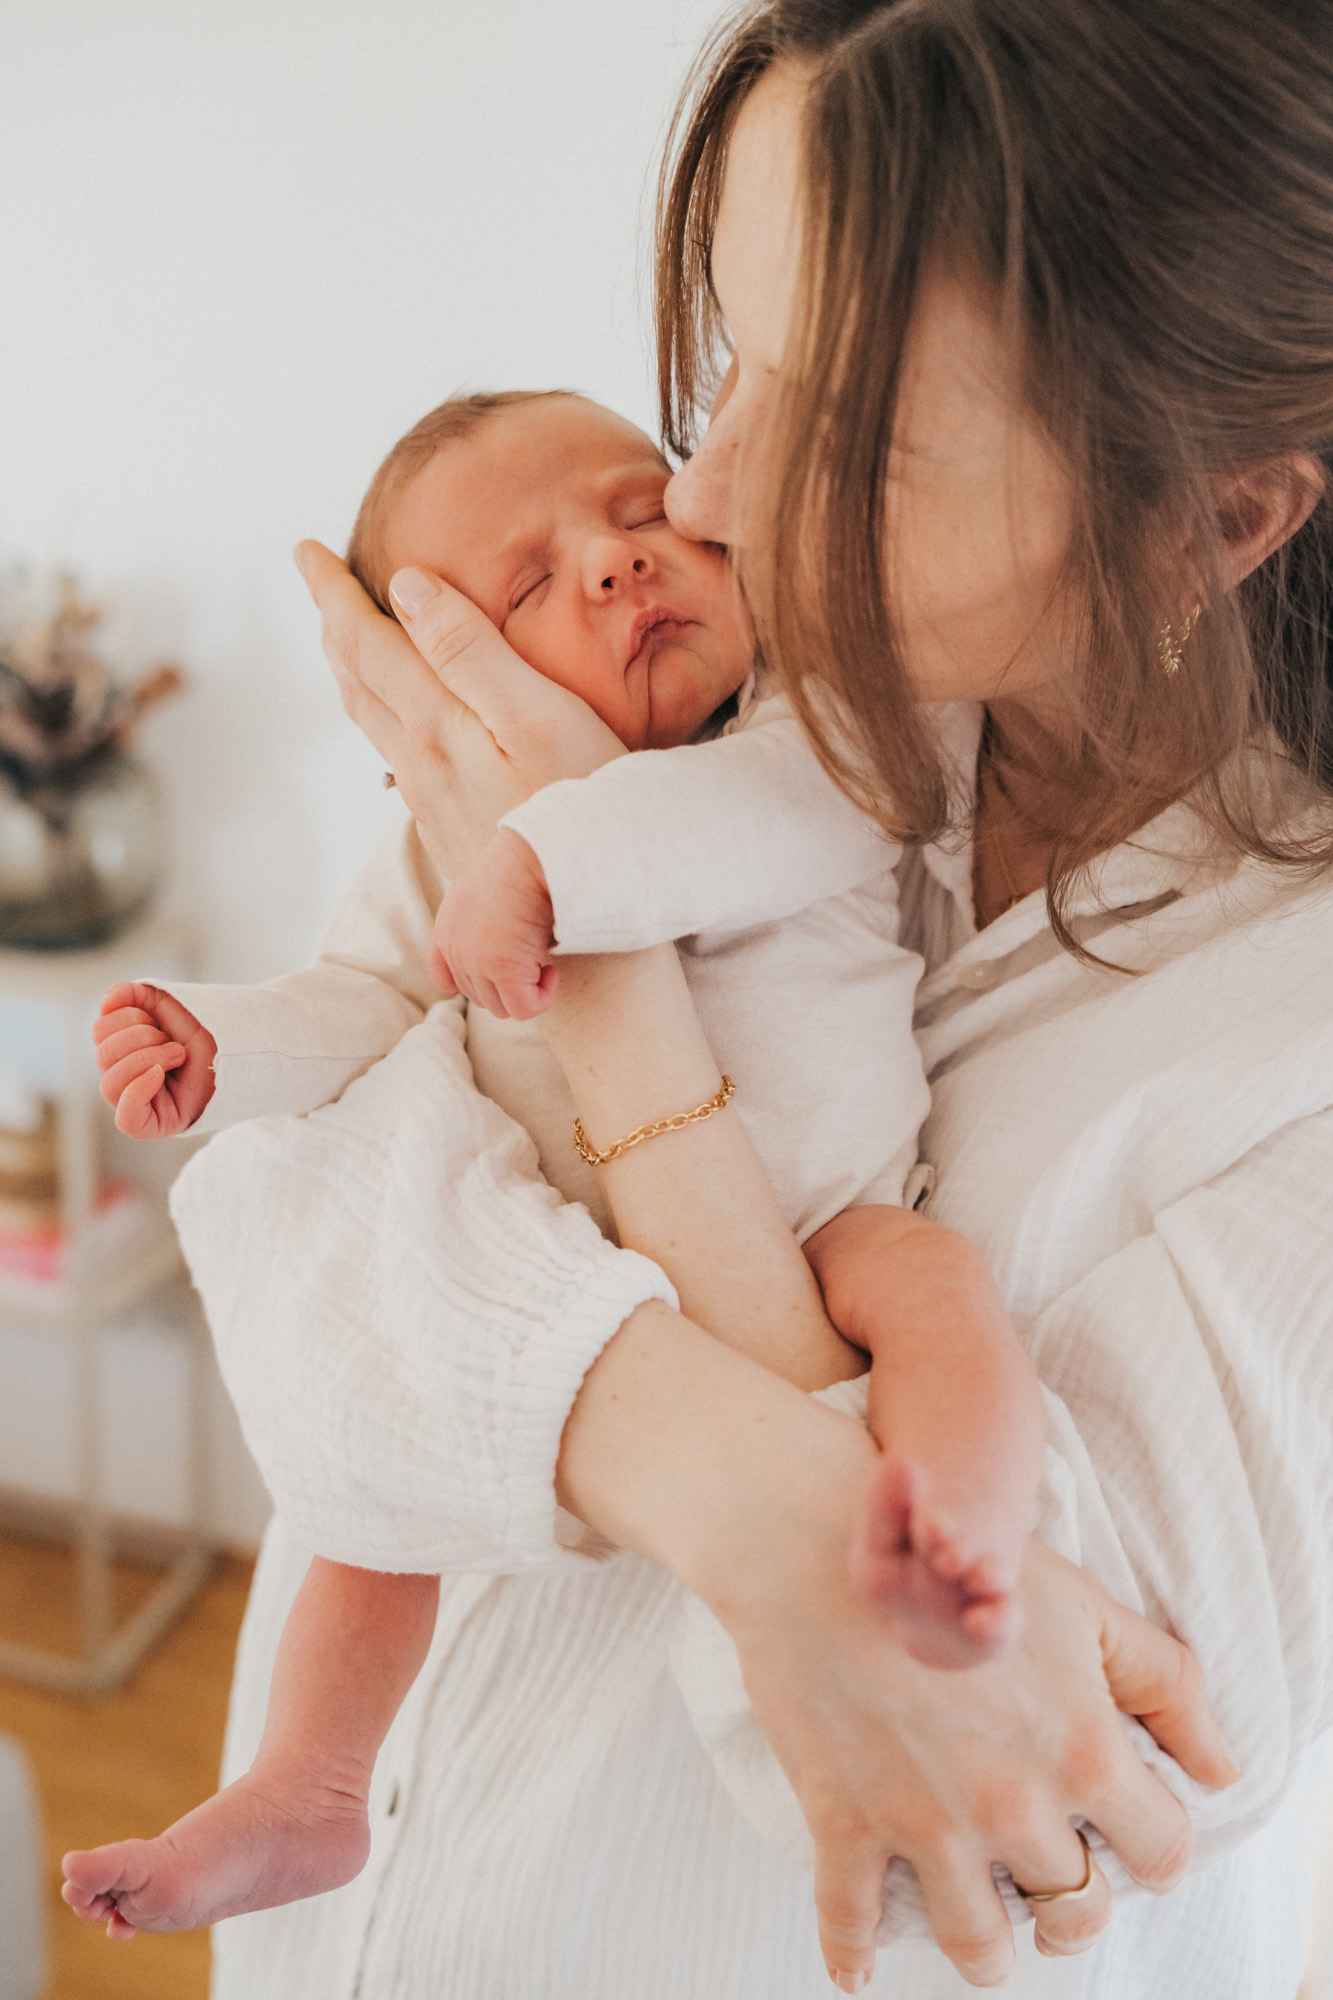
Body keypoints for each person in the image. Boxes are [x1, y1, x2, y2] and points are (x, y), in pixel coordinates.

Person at [120, 0, 1333, 1993]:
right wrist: (727, 1468)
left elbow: (1000, 1801)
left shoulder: (1275, 1034)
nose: (701, 495)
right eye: (731, 361)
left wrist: (613, 1033)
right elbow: (283, 1248)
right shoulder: (677, 703)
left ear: (1209, 517)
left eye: (843, 427)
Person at [61, 386, 1048, 1943]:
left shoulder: (817, 736)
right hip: (544, 1238)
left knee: (935, 1295)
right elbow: (370, 1006)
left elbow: (741, 831)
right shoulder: (431, 853)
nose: (611, 562)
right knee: (364, 1502)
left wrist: (548, 846)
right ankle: (312, 1788)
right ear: (436, 700)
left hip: (821, 1220)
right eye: (528, 585)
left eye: (642, 509)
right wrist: (223, 1047)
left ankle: (963, 1535)